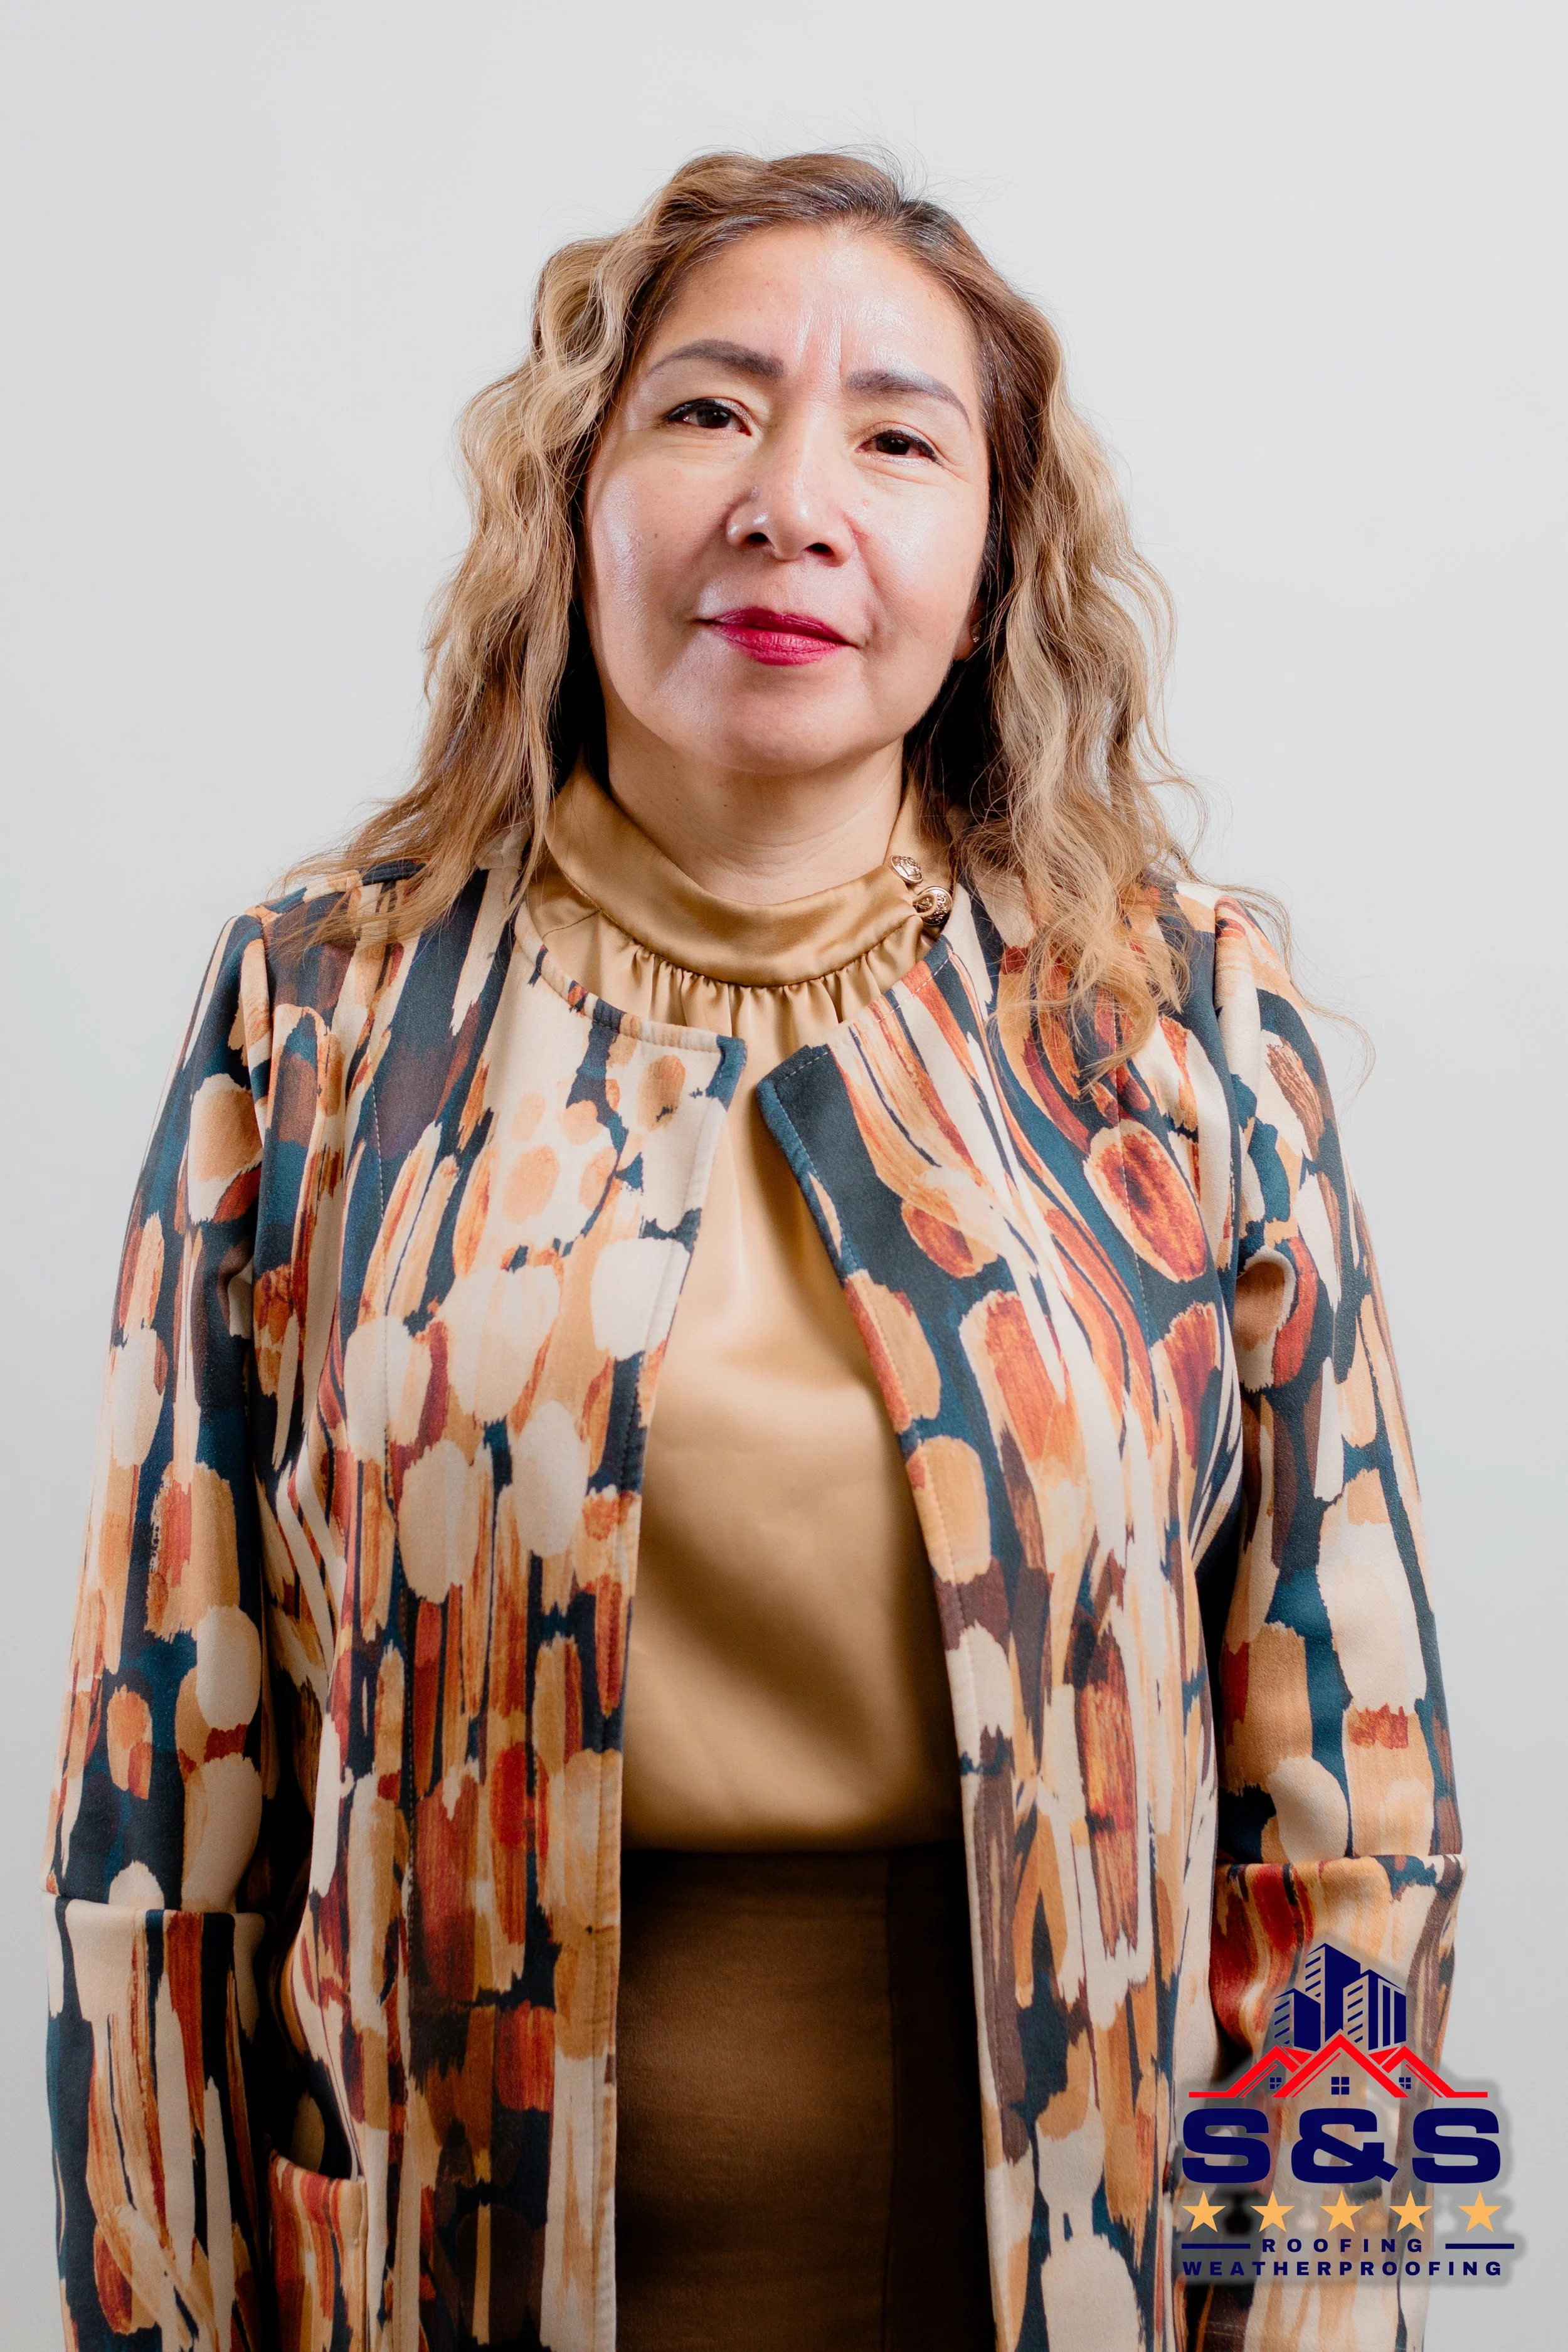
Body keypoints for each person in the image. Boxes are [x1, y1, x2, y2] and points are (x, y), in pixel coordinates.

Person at [42, 151, 1461, 2352]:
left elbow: (1356, 1812)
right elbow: (160, 1811)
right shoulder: (322, 1018)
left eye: (896, 438)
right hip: (450, 2278)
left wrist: (1321, 2316)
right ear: (572, 503)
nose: (791, 499)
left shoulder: (1169, 1027)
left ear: (989, 571)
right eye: (707, 410)